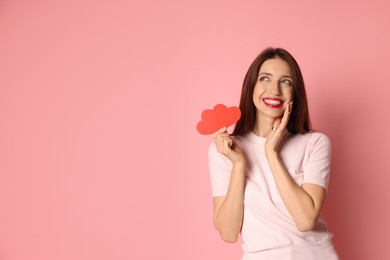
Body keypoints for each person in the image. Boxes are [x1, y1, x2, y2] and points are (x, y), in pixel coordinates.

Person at [208, 47, 339, 259]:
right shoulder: (225, 149)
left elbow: (305, 221)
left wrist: (271, 153)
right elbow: (228, 232)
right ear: (251, 86)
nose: (275, 90)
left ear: (295, 93)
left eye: (286, 81)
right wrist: (239, 164)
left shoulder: (315, 143)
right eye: (265, 78)